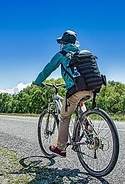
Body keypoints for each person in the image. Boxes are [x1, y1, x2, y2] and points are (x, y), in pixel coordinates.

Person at [33, 30, 93, 158]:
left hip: (76, 90)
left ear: (63, 43)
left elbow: (48, 69)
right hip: (90, 89)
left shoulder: (62, 54)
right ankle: (87, 124)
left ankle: (60, 148)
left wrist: (38, 82)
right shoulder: (81, 54)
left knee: (65, 117)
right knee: (78, 104)